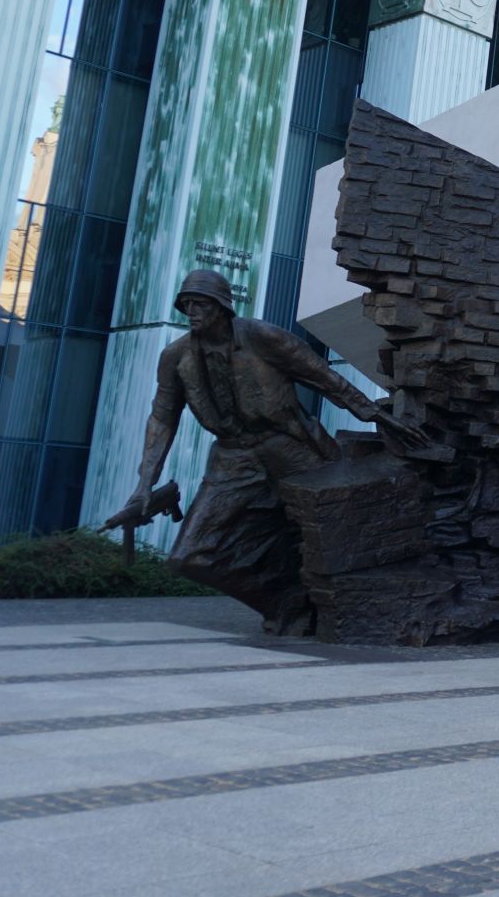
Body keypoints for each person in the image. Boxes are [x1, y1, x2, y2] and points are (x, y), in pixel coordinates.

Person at [123, 269, 429, 633]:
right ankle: (285, 600)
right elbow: (161, 419)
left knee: (331, 534)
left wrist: (376, 414)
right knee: (189, 557)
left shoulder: (261, 337)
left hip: (293, 449)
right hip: (232, 460)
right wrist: (145, 484)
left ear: (222, 306)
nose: (192, 311)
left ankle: (346, 608)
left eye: (200, 303)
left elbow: (325, 378)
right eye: (186, 304)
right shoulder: (176, 358)